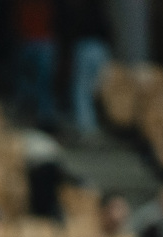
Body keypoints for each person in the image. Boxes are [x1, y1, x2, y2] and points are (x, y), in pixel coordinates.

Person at [65, 0, 113, 139]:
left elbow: (72, 30)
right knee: (99, 88)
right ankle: (103, 124)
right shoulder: (99, 11)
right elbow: (109, 30)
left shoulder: (80, 10)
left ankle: (87, 127)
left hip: (85, 47)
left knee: (82, 89)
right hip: (101, 48)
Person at [13, 0, 58, 130]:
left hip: (42, 41)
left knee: (42, 82)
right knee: (29, 81)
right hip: (30, 41)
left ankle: (44, 117)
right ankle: (30, 114)